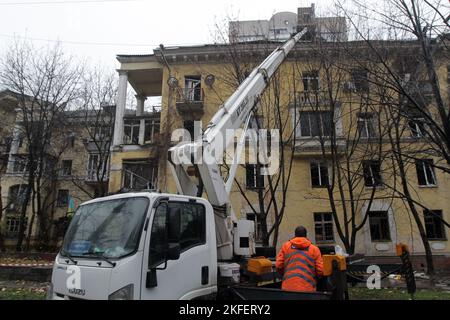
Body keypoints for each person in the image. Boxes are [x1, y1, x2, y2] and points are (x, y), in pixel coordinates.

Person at [275, 226, 323, 292]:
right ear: (306, 235)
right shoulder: (314, 249)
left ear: (295, 235)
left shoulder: (286, 246)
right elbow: (320, 271)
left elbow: (278, 265)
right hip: (308, 289)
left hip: (288, 288)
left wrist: (283, 274)